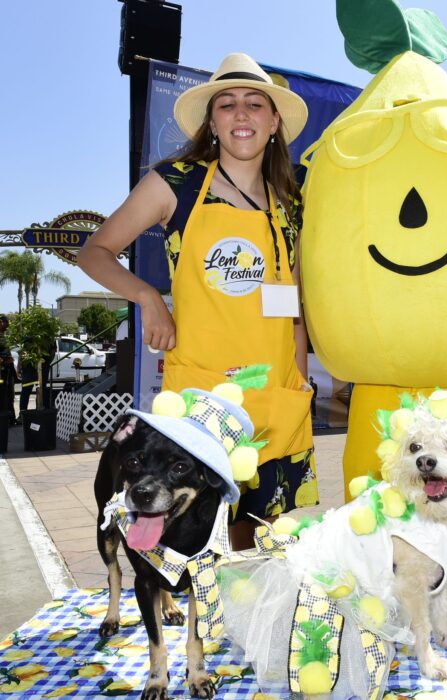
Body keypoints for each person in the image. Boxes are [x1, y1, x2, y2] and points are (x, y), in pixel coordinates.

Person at [78, 53, 317, 548]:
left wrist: (299, 383)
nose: (241, 114)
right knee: (199, 540)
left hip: (279, 398)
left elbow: (290, 307)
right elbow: (94, 252)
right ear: (212, 122)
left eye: (255, 103)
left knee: (270, 541)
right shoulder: (179, 183)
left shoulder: (290, 205)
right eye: (227, 105)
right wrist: (149, 297)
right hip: (203, 406)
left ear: (274, 122)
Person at [0, 315, 18, 423]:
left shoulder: (3, 335)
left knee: (9, 395)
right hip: (1, 370)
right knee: (3, 395)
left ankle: (11, 419)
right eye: (5, 324)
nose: (6, 327)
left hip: (8, 370)